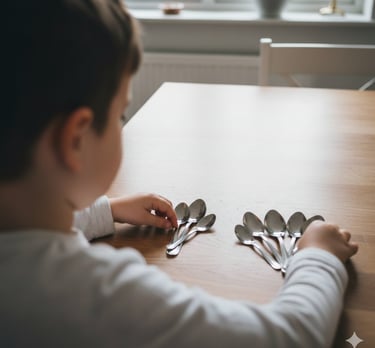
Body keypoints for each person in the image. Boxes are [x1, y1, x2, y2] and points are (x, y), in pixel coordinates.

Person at [0, 1, 358, 347]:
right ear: (76, 140)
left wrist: (106, 210)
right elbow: (288, 338)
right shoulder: (102, 299)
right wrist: (317, 256)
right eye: (120, 116)